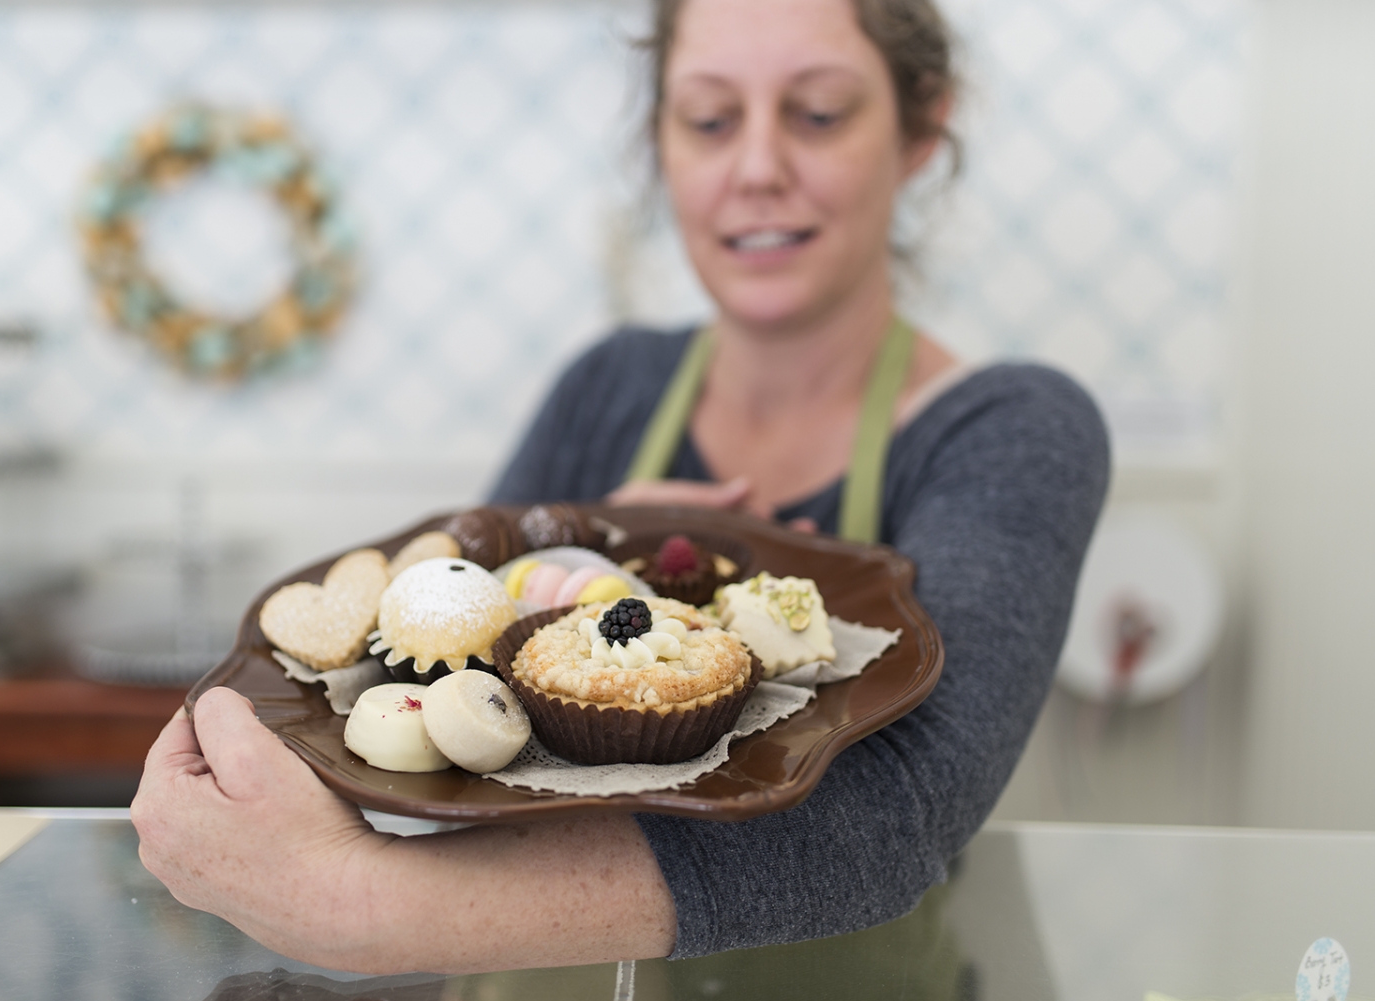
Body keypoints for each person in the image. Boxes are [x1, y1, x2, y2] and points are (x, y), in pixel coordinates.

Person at [131, 0, 1109, 976]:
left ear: (921, 126)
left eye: (817, 113)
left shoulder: (1014, 429)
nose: (757, 167)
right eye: (710, 119)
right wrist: (567, 554)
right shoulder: (607, 387)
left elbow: (901, 806)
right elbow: (438, 700)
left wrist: (369, 905)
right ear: (661, 143)